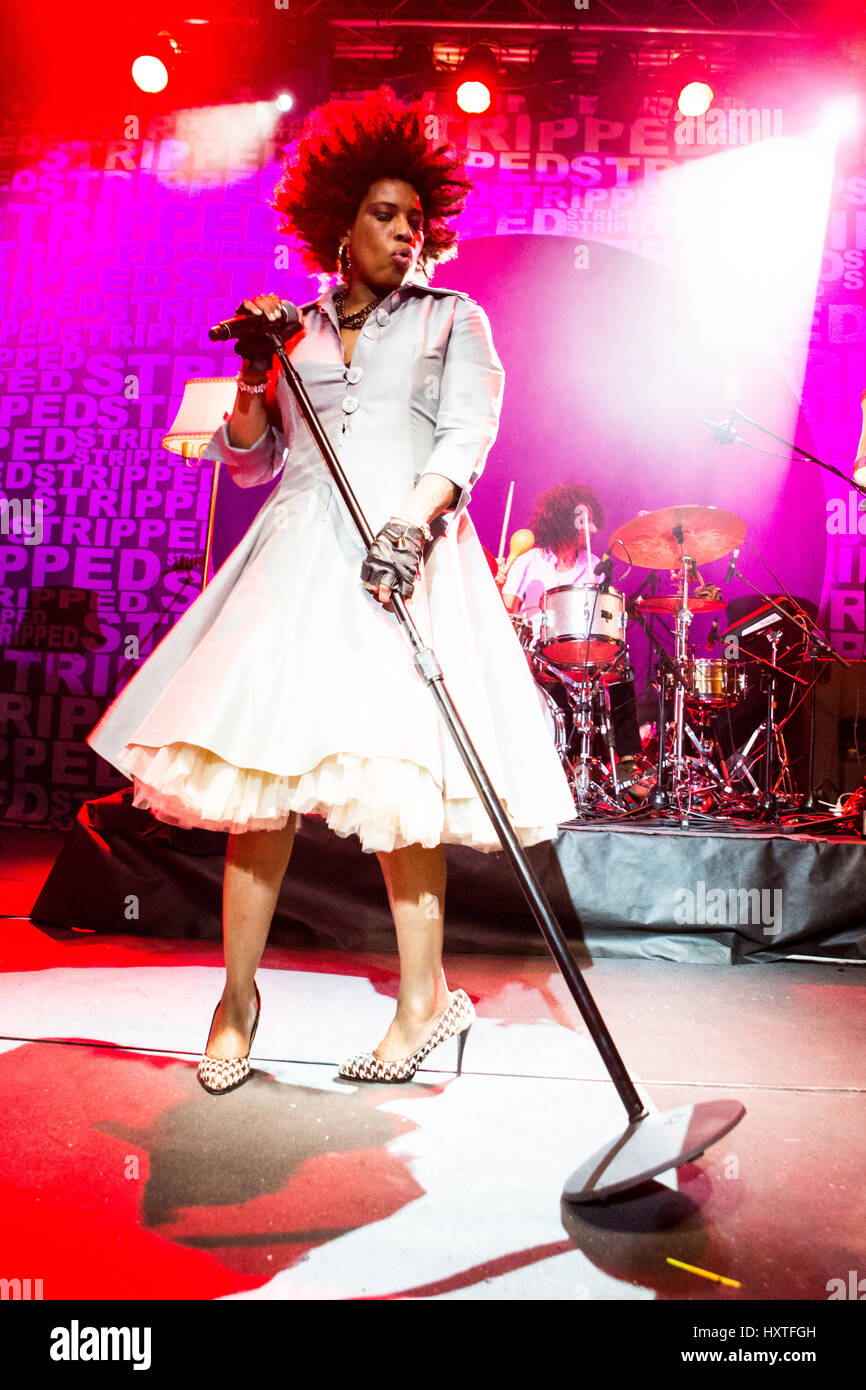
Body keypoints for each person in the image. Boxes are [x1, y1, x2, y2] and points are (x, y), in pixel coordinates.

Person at [87, 88, 575, 1091]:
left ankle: (421, 1005)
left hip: (402, 561)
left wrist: (411, 526)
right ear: (336, 223)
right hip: (296, 567)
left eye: (415, 219)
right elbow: (250, 462)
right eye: (383, 215)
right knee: (255, 785)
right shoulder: (292, 334)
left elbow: (464, 439)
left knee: (400, 792)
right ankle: (236, 1002)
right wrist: (256, 374)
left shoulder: (451, 320)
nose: (405, 234)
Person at [500, 481, 603, 624]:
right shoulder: (529, 561)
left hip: (578, 646)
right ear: (566, 522)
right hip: (528, 644)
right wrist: (498, 587)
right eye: (586, 521)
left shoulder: (595, 567)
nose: (594, 529)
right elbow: (507, 616)